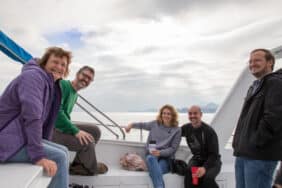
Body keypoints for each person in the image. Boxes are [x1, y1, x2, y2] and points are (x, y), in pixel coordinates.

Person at [0, 47, 72, 188]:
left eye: (63, 65)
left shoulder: (47, 82)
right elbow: (33, 117)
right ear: (45, 63)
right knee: (60, 157)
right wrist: (38, 156)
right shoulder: (33, 77)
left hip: (17, 136)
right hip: (5, 140)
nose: (59, 67)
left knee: (64, 150)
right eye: (55, 62)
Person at [232, 49, 282, 188]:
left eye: (257, 60)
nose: (252, 64)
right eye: (250, 61)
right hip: (243, 153)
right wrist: (238, 144)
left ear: (270, 62)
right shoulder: (254, 87)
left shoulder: (276, 83)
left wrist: (256, 142)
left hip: (259, 156)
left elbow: (274, 117)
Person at [52, 66, 107, 176]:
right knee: (87, 142)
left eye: (89, 79)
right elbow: (56, 113)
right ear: (77, 74)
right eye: (84, 75)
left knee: (95, 131)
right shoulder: (63, 85)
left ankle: (78, 165)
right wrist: (76, 131)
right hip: (51, 130)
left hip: (60, 128)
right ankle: (91, 168)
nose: (86, 79)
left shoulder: (75, 94)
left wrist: (73, 131)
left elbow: (65, 116)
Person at [124, 104, 181, 188]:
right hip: (152, 155)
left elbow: (173, 149)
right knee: (151, 159)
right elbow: (142, 125)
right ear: (161, 114)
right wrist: (131, 125)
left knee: (155, 171)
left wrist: (160, 153)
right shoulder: (155, 124)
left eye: (169, 114)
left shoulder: (177, 130)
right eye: (164, 113)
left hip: (166, 158)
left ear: (173, 116)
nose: (166, 115)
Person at [181, 105, 221, 188]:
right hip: (197, 159)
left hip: (212, 161)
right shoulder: (186, 128)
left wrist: (204, 168)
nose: (192, 116)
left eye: (195, 113)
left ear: (201, 114)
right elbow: (172, 133)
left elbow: (214, 154)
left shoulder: (209, 131)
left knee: (207, 179)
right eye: (190, 114)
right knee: (189, 173)